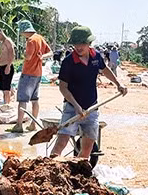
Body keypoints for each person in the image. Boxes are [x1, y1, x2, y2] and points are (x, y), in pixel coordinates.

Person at [51, 26, 127, 159]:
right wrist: (75, 105)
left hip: (92, 107)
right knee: (62, 141)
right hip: (71, 108)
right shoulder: (68, 62)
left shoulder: (96, 56)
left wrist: (118, 84)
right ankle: (49, 169)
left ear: (89, 43)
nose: (78, 47)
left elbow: (105, 69)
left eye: (82, 44)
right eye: (76, 44)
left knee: (88, 146)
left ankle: (79, 173)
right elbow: (63, 87)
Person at [10, 20, 52, 133]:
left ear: (24, 31)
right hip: (37, 74)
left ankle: (19, 125)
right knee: (35, 99)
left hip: (28, 73)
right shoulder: (40, 38)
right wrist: (42, 57)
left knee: (22, 100)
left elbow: (28, 57)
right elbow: (50, 52)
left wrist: (24, 52)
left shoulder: (31, 41)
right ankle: (33, 124)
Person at [0, 28, 15, 104]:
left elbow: (12, 54)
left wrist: (8, 66)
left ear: (0, 33)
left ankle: (7, 104)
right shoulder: (2, 43)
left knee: (6, 88)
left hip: (7, 66)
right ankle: (6, 102)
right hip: (2, 66)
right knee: (3, 87)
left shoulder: (7, 41)